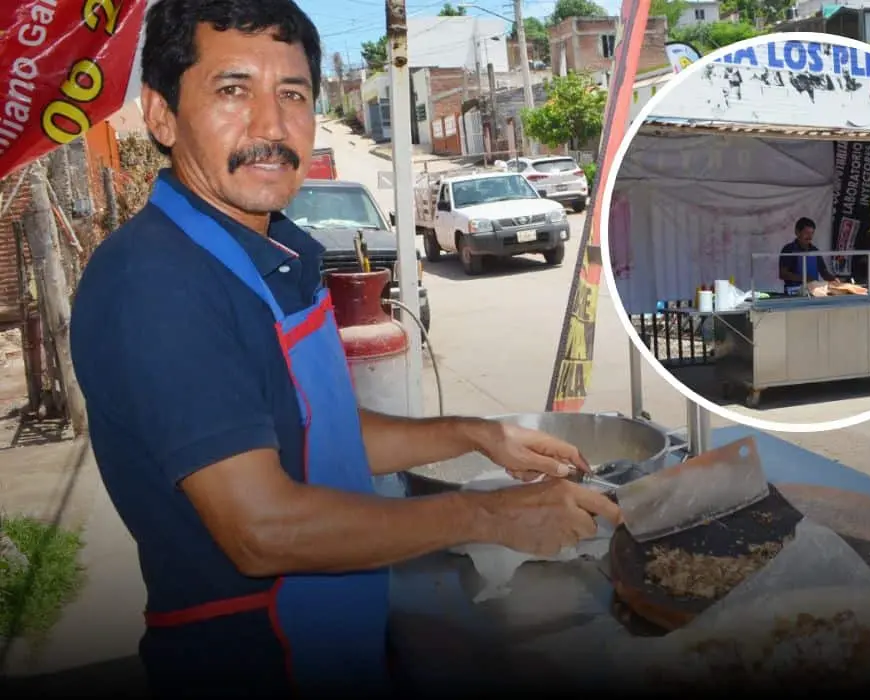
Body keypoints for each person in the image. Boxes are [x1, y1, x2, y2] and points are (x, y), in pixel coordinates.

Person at [68, 1, 621, 697]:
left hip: (335, 638)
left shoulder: (274, 246)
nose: (271, 127)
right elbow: (260, 530)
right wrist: (489, 514)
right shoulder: (158, 282)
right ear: (161, 114)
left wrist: (474, 435)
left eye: (292, 94)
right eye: (232, 90)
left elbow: (317, 430)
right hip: (257, 660)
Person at [778, 217, 838, 294]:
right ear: (797, 232)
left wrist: (834, 279)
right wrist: (804, 278)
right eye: (806, 233)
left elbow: (824, 272)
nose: (810, 237)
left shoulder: (814, 250)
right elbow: (783, 274)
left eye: (812, 233)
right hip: (793, 291)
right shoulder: (789, 249)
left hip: (813, 290)